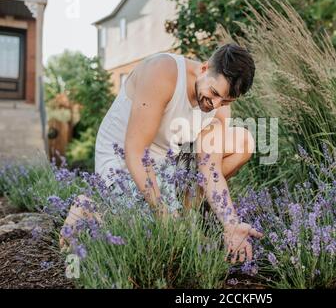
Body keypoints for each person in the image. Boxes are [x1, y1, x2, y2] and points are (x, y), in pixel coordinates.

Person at [62, 43, 263, 264]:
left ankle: (183, 221)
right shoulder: (163, 72)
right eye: (214, 93)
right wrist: (163, 214)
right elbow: (135, 151)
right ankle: (90, 210)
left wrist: (231, 222)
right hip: (123, 157)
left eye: (225, 100)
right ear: (204, 68)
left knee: (243, 141)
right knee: (145, 234)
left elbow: (210, 169)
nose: (214, 104)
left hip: (168, 163)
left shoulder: (220, 105)